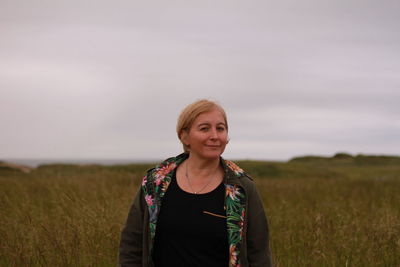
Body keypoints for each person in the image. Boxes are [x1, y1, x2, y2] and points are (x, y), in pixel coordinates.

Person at [119, 99, 272, 267]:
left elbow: (259, 253)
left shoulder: (242, 187)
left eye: (220, 128)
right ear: (184, 136)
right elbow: (132, 245)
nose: (214, 136)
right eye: (204, 128)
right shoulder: (155, 182)